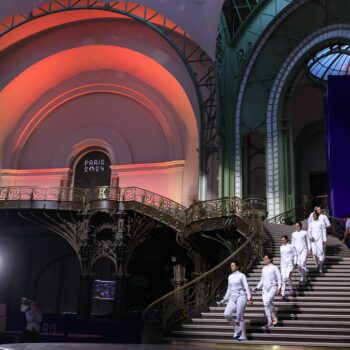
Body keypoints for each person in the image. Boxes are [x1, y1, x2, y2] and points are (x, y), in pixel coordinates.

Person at [218, 260, 253, 341]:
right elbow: (229, 289)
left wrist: (249, 298)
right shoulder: (230, 277)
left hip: (241, 297)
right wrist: (224, 299)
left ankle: (244, 336)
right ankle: (237, 329)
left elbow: (246, 287)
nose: (232, 267)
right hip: (232, 298)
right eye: (231, 266)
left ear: (237, 267)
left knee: (239, 316)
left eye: (233, 265)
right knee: (226, 314)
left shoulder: (242, 275)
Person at [253, 254, 281, 327]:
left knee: (269, 301)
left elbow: (279, 277)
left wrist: (279, 287)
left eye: (266, 258)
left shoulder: (275, 267)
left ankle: (274, 317)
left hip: (273, 287)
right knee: (265, 304)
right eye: (264, 259)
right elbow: (262, 280)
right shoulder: (264, 268)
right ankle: (269, 321)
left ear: (270, 259)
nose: (264, 260)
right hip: (265, 289)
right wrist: (257, 287)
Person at [280, 235, 297, 300]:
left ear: (287, 239)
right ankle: (283, 294)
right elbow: (281, 257)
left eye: (284, 239)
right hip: (283, 265)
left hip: (290, 264)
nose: (283, 241)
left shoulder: (291, 246)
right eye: (282, 240)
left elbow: (295, 254)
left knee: (287, 276)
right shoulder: (281, 247)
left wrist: (295, 262)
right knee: (283, 279)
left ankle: (291, 288)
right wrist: (281, 266)